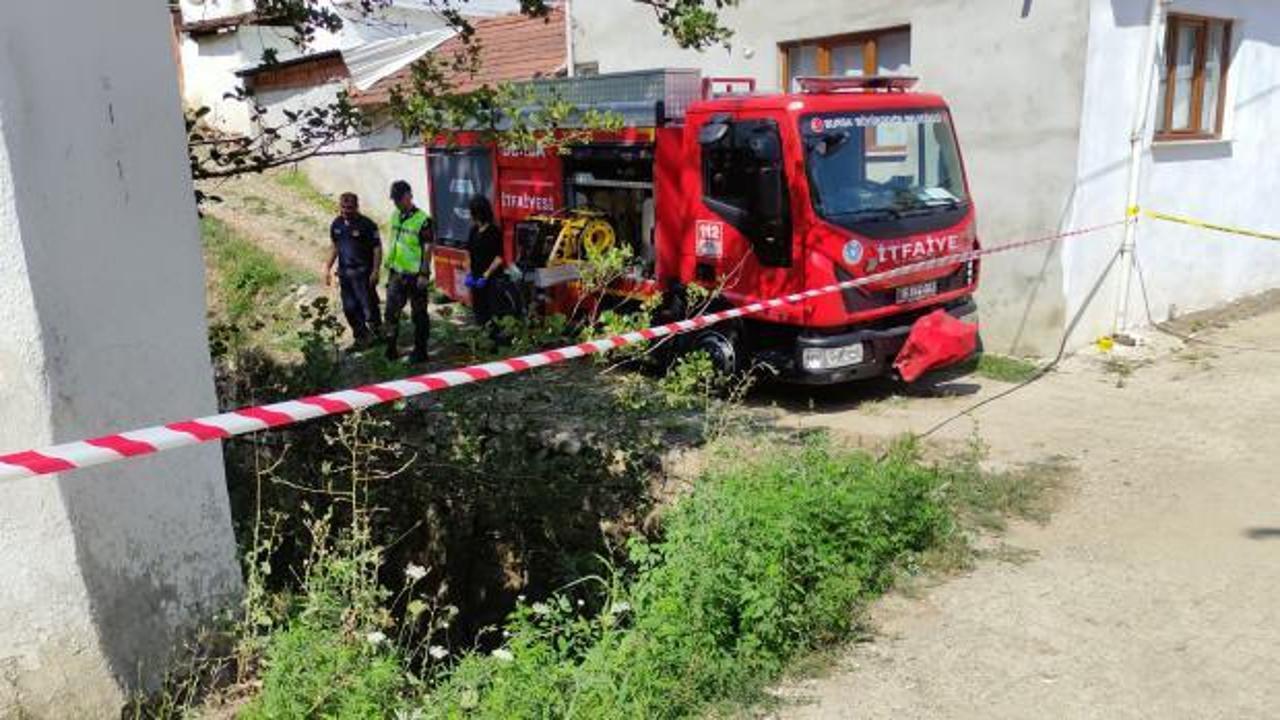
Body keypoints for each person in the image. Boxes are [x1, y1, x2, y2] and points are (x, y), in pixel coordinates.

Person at [324, 192, 382, 350]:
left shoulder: (367, 225)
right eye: (343, 207)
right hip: (345, 274)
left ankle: (378, 335)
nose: (346, 211)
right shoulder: (337, 224)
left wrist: (376, 270)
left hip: (363, 273)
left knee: (368, 307)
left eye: (349, 208)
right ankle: (361, 338)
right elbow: (334, 246)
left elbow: (377, 248)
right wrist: (327, 268)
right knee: (349, 308)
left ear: (356, 207)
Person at [383, 180, 433, 363]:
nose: (396, 203)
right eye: (394, 200)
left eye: (399, 199)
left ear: (409, 196)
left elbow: (428, 248)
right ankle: (390, 349)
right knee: (391, 313)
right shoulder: (395, 215)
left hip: (415, 275)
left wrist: (424, 273)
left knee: (419, 315)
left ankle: (420, 352)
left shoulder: (423, 220)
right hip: (397, 273)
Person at [463, 195, 504, 330]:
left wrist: (486, 275)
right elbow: (468, 252)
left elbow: (499, 257)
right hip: (476, 278)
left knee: (492, 312)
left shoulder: (494, 231)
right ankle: (481, 334)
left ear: (478, 213)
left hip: (490, 279)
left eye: (472, 212)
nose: (470, 216)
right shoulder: (473, 230)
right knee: (478, 311)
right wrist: (469, 273)